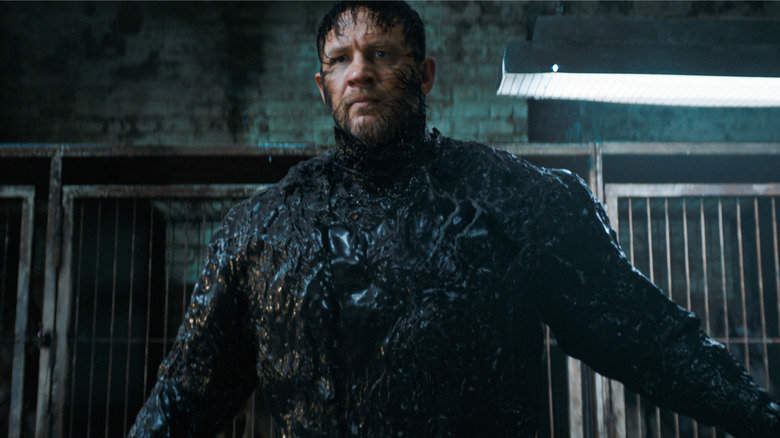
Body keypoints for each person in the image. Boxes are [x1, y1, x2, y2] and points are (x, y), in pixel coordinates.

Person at [129, 1, 780, 436]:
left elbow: (649, 339)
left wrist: (762, 416)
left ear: (425, 74)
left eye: (382, 54)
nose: (361, 73)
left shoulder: (520, 202)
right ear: (322, 87)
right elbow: (185, 397)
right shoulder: (260, 232)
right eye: (341, 58)